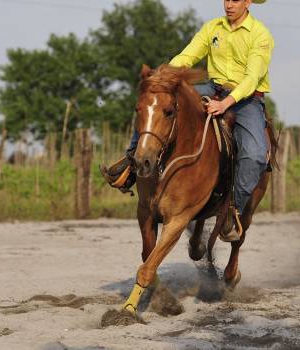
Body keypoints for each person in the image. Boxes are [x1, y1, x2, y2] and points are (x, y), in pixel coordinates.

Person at [100, 0, 274, 241]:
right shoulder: (213, 28)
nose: (229, 4)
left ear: (248, 2)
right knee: (157, 100)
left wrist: (225, 103)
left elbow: (252, 77)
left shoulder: (260, 35)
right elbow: (188, 55)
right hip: (212, 87)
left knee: (254, 154)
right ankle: (131, 163)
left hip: (246, 99)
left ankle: (233, 208)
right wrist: (161, 77)